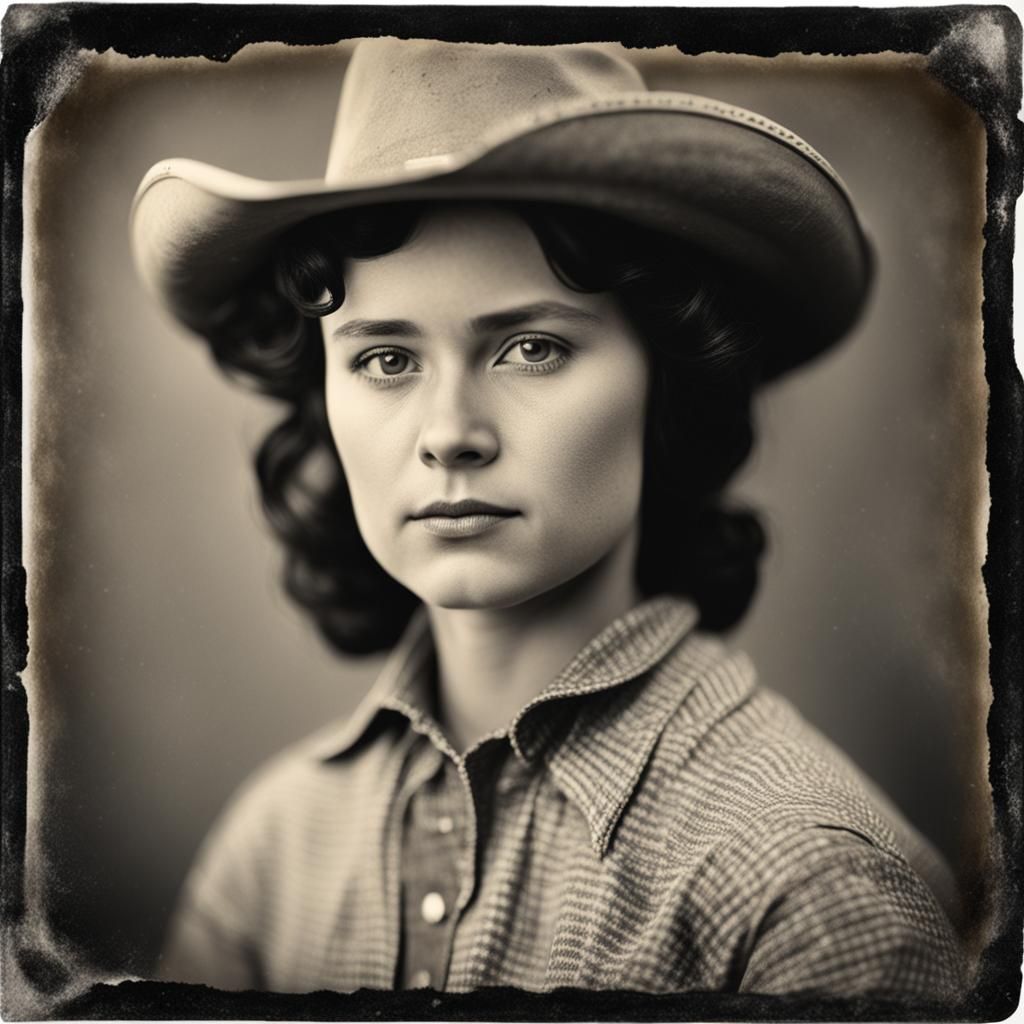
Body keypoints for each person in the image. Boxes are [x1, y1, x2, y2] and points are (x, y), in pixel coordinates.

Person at [131, 38, 963, 998]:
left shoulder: (810, 893)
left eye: (530, 347)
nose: (449, 435)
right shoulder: (271, 859)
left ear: (667, 383)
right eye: (385, 360)